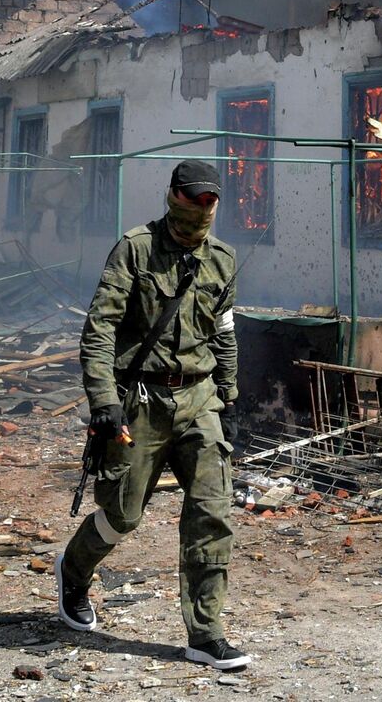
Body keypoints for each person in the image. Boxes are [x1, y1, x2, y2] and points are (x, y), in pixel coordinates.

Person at [54, 159, 250, 671]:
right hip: (139, 401)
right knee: (122, 514)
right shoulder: (135, 249)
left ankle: (206, 635)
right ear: (173, 197)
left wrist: (229, 398)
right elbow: (99, 330)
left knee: (212, 514)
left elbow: (224, 334)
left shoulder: (223, 260)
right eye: (194, 199)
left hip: (199, 399)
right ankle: (74, 572)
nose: (203, 209)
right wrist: (104, 402)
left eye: (212, 200)